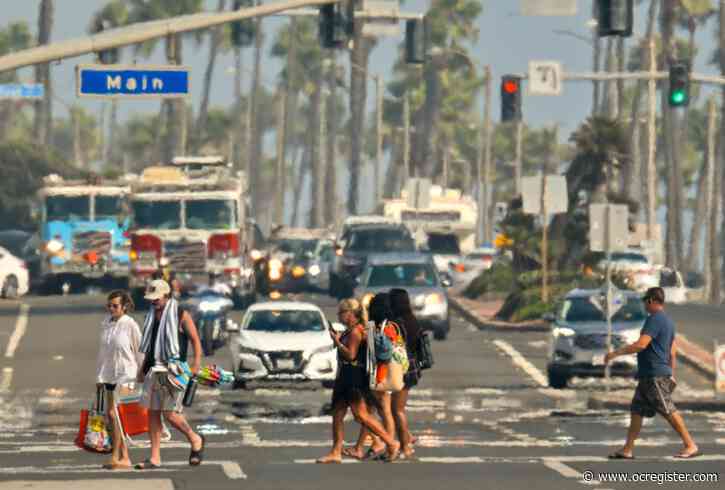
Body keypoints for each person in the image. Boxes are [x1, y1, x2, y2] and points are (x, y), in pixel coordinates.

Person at [604, 287, 699, 459]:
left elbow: (641, 344)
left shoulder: (654, 320)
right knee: (637, 411)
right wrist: (671, 372)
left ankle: (690, 444)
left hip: (655, 375)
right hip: (649, 375)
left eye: (646, 300)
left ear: (652, 300)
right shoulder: (668, 322)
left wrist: (615, 353)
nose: (644, 304)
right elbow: (672, 350)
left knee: (668, 410)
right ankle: (627, 449)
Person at [316, 299, 400, 464]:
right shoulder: (357, 329)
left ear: (350, 314)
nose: (339, 316)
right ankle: (336, 451)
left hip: (352, 378)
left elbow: (351, 355)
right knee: (338, 414)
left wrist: (337, 342)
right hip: (350, 376)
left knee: (361, 415)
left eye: (341, 313)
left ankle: (391, 442)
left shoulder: (356, 331)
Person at [135, 279, 205, 469]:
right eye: (151, 298)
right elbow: (150, 346)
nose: (153, 302)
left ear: (166, 296)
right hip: (154, 368)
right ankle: (155, 457)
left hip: (174, 369)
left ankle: (195, 438)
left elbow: (195, 340)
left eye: (156, 298)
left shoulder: (180, 314)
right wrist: (142, 369)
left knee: (169, 413)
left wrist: (196, 363)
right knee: (153, 413)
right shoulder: (150, 316)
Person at [346, 293, 399, 461]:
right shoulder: (393, 326)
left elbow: (371, 351)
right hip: (390, 372)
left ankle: (388, 446)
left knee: (380, 412)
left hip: (379, 374)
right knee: (372, 412)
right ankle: (368, 446)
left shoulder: (373, 327)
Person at [95, 290, 142, 470]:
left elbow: (140, 351)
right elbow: (103, 353)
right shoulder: (106, 323)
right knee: (112, 416)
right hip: (108, 374)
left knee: (119, 414)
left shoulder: (130, 325)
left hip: (127, 374)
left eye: (115, 306)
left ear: (125, 307)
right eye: (109, 305)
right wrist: (98, 376)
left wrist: (142, 374)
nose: (111, 309)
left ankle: (120, 456)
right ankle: (122, 456)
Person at [389, 288, 421, 459]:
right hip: (410, 368)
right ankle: (407, 439)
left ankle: (406, 447)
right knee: (397, 409)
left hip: (400, 368)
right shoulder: (412, 320)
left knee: (397, 410)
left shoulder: (398, 323)